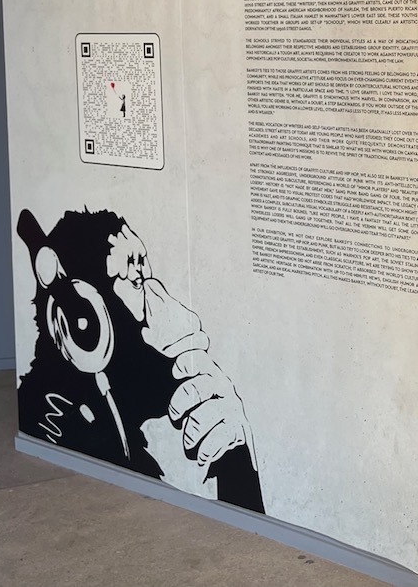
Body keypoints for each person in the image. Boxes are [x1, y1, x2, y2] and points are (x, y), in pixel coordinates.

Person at [15, 207, 264, 513]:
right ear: (85, 320)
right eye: (136, 280)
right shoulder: (47, 420)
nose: (160, 300)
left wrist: (237, 460)